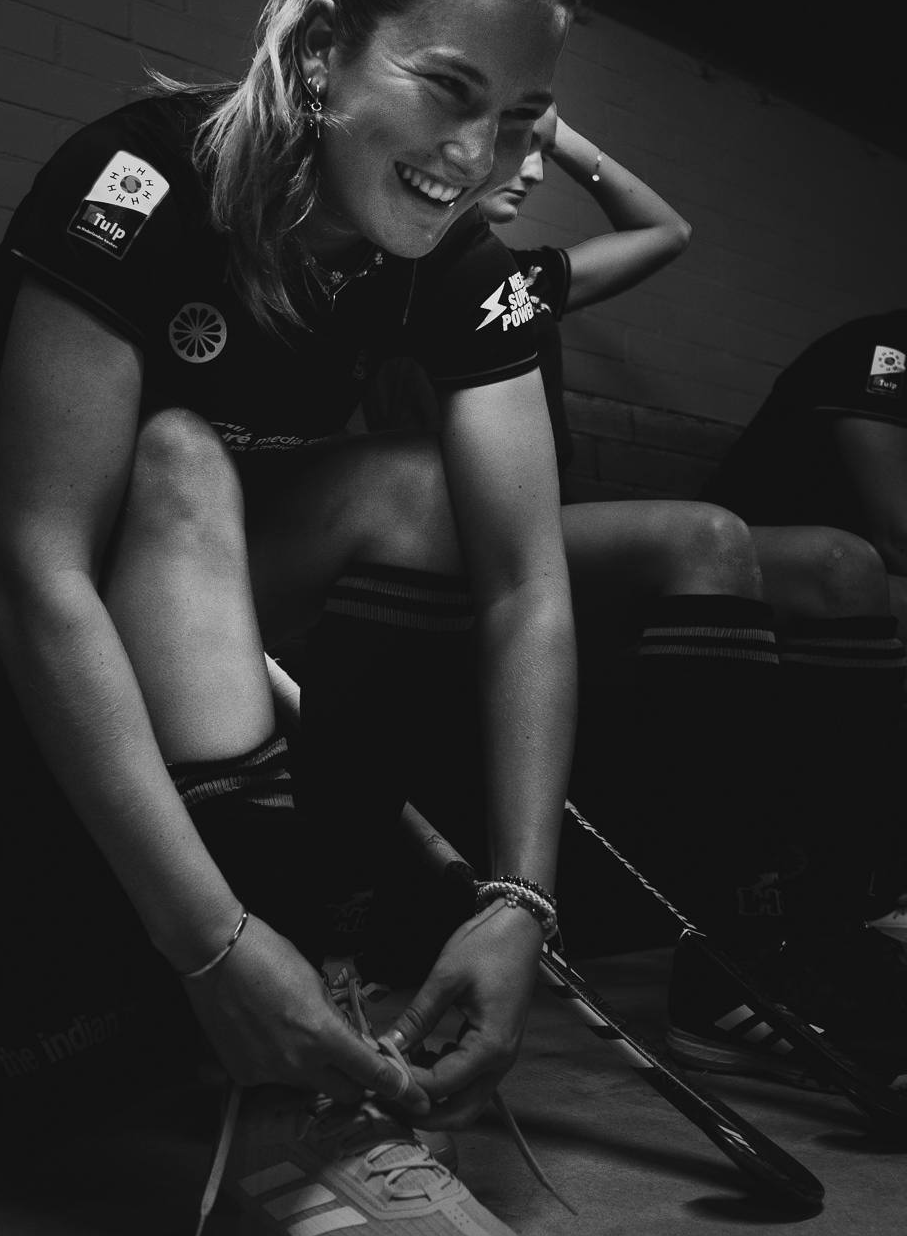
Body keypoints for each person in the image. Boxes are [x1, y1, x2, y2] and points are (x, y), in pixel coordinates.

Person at [0, 0, 581, 1236]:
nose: (473, 154)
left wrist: (519, 898)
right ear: (322, 53)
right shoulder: (147, 173)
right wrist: (215, 947)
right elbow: (39, 571)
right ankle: (288, 1098)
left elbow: (527, 588)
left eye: (514, 119)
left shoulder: (460, 263)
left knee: (425, 496)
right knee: (175, 455)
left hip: (182, 549)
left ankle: (350, 909)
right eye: (446, 89)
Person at [357, 111, 906, 1087]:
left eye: (537, 143)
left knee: (841, 566)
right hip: (439, 541)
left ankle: (829, 921)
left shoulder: (517, 280)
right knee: (704, 536)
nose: (530, 168)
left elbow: (665, 233)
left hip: (542, 539)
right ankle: (730, 959)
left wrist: (563, 136)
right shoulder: (386, 252)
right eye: (511, 137)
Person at [702, 310, 907, 648]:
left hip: (836, 561)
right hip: (732, 553)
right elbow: (898, 537)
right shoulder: (887, 348)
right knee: (865, 579)